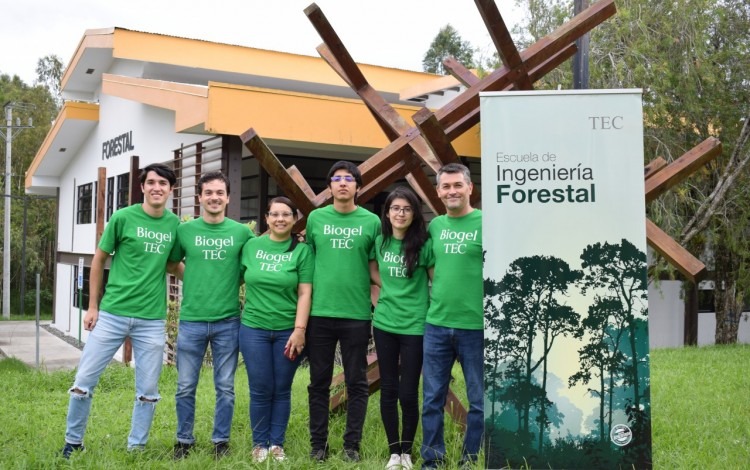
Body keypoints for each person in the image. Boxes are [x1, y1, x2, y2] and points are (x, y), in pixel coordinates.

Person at [61, 163, 180, 458]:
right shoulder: (123, 218)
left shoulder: (174, 225)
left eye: (162, 184)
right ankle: (72, 442)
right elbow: (99, 260)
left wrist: (206, 283)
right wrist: (92, 306)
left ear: (170, 190)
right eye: (151, 182)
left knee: (148, 391)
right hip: (112, 313)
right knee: (82, 383)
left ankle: (136, 448)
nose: (156, 188)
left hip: (152, 319)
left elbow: (171, 264)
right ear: (142, 187)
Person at [169, 171, 253, 459]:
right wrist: (191, 278)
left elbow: (250, 269)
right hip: (191, 320)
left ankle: (221, 442)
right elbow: (172, 263)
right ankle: (183, 441)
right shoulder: (185, 231)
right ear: (200, 198)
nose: (214, 197)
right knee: (184, 387)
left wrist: (227, 283)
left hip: (228, 322)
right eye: (209, 192)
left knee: (226, 388)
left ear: (228, 197)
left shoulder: (242, 233)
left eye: (220, 192)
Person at [305, 160, 380, 462]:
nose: (343, 183)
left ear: (358, 187)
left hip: (357, 315)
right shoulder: (315, 219)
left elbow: (375, 269)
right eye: (337, 179)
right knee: (318, 382)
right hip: (320, 314)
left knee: (357, 382)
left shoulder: (371, 222)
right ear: (330, 187)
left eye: (349, 179)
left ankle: (352, 445)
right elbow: (307, 265)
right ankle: (318, 445)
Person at [239, 197, 314, 463]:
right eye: (274, 214)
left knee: (281, 387)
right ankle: (259, 444)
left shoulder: (302, 251)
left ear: (294, 219)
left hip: (288, 331)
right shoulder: (251, 246)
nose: (280, 219)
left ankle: (276, 445)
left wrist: (299, 329)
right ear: (266, 218)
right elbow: (234, 278)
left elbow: (305, 292)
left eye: (286, 214)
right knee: (260, 387)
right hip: (253, 329)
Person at [421, 163, 483, 468]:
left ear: (470, 188)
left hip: (476, 326)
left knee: (479, 402)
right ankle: (432, 461)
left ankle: (470, 461)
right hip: (437, 325)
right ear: (438, 192)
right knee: (432, 399)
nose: (452, 191)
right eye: (445, 186)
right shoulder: (435, 227)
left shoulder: (487, 223)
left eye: (457, 185)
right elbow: (432, 268)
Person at [369, 186, 433, 470]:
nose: (400, 213)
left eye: (406, 209)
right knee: (388, 389)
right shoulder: (380, 241)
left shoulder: (423, 244)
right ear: (387, 212)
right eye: (395, 208)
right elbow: (371, 269)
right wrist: (387, 291)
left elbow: (435, 281)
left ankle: (407, 452)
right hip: (384, 324)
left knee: (408, 392)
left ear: (414, 213)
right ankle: (393, 453)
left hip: (415, 326)